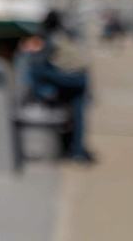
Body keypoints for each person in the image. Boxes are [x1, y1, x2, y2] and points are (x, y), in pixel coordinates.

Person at [25, 10, 96, 164]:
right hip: (81, 78)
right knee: (78, 116)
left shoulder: (48, 36)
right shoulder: (70, 33)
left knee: (32, 71)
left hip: (66, 78)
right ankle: (78, 151)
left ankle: (43, 95)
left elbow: (38, 60)